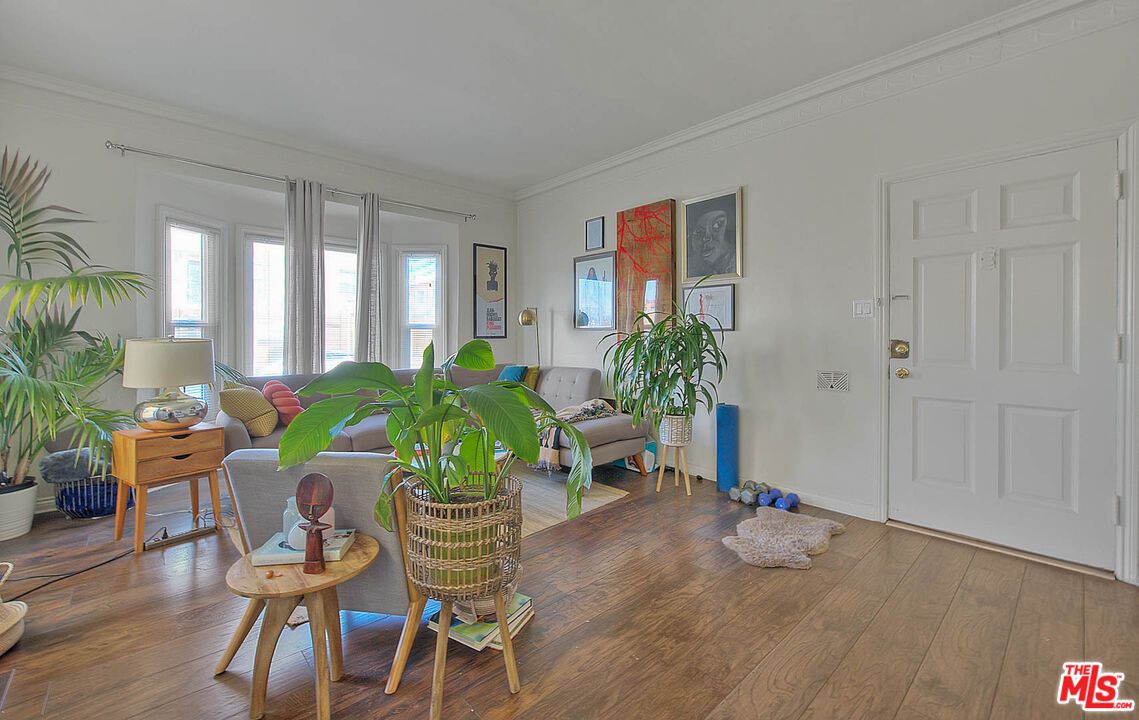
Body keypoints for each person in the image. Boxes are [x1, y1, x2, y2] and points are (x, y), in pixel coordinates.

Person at [686, 198, 736, 277]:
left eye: (717, 225)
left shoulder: (736, 263)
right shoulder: (693, 267)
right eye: (699, 232)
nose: (706, 237)